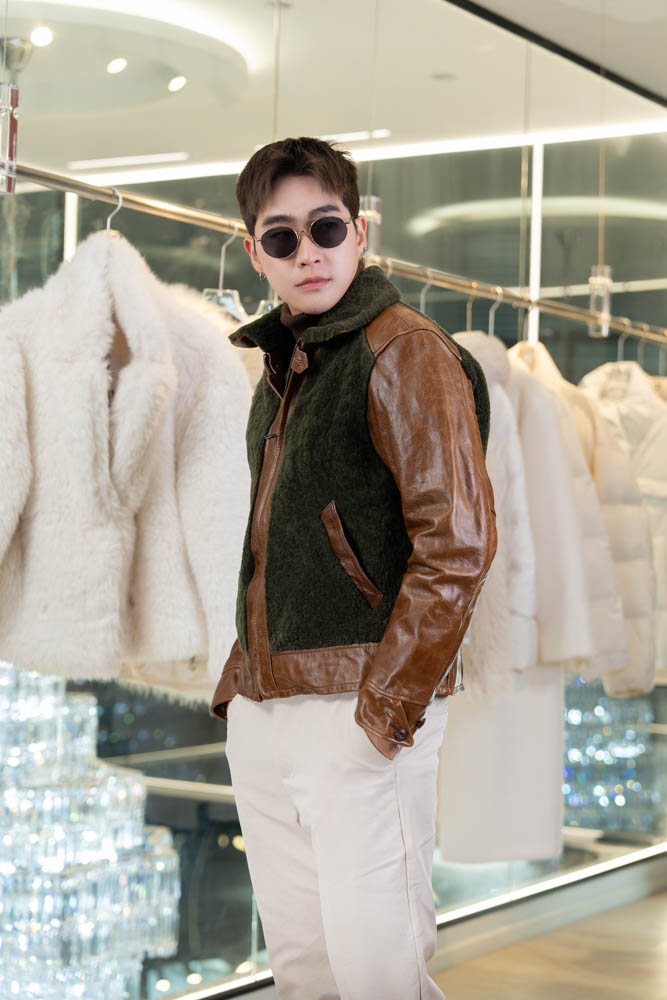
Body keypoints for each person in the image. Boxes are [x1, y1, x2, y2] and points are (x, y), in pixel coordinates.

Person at [211, 136, 497, 1000]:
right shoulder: (284, 365)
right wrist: (241, 684)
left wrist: (383, 714)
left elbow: (457, 543)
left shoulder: (402, 349)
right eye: (282, 237)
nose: (308, 253)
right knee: (304, 971)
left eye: (325, 228)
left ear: (359, 233)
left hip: (359, 706)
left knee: (378, 973)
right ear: (255, 251)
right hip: (267, 706)